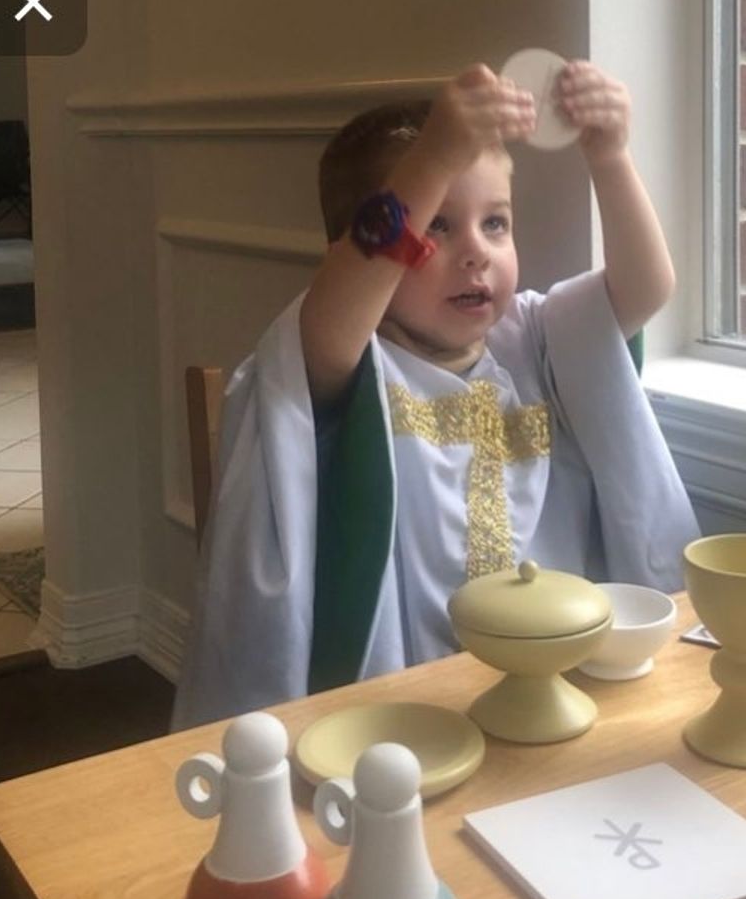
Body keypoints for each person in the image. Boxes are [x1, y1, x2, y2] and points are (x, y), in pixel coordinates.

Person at [173, 61, 697, 728]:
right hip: (409, 704)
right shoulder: (346, 361)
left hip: (560, 687)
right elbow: (343, 299)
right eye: (437, 227)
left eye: (496, 223)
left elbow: (646, 287)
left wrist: (611, 156)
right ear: (356, 251)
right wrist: (434, 157)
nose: (476, 253)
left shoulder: (538, 339)